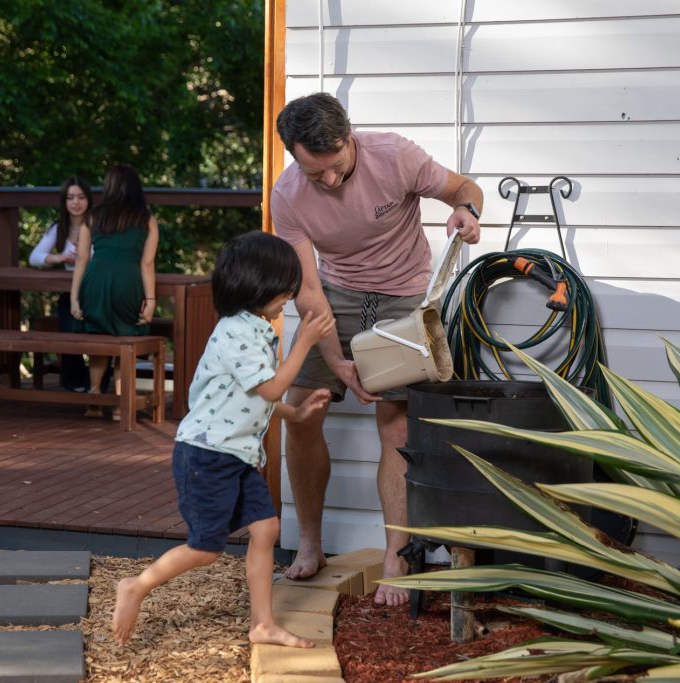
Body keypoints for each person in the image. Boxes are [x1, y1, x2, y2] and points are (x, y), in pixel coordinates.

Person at [270, 92, 484, 607]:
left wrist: (466, 211)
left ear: (350, 137)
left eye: (336, 166)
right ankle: (311, 544)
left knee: (396, 423)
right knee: (300, 410)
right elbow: (309, 292)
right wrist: (339, 364)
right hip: (333, 294)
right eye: (312, 170)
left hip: (403, 296)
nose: (328, 180)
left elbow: (463, 187)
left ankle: (397, 555)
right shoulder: (287, 194)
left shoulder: (395, 155)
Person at [112, 231, 336, 647]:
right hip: (207, 457)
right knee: (206, 549)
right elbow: (270, 389)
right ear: (259, 284)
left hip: (236, 456)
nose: (290, 292)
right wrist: (305, 343)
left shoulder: (256, 330)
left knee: (266, 529)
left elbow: (257, 395)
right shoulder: (236, 332)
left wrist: (297, 413)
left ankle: (262, 624)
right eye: (286, 284)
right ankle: (136, 586)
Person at [71, 165, 159, 400]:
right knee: (125, 342)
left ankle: (94, 394)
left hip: (95, 282)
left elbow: (81, 258)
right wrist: (150, 300)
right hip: (128, 283)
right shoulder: (146, 219)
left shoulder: (92, 217)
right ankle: (122, 404)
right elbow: (147, 263)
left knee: (99, 342)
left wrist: (74, 297)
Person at [29, 175, 93, 391]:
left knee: (94, 332)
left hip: (93, 289)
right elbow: (34, 257)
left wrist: (86, 259)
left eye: (81, 197)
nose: (76, 203)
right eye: (71, 198)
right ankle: (74, 380)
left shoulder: (97, 225)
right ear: (64, 202)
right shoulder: (58, 228)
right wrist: (57, 258)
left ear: (89, 200)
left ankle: (95, 380)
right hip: (70, 291)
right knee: (67, 327)